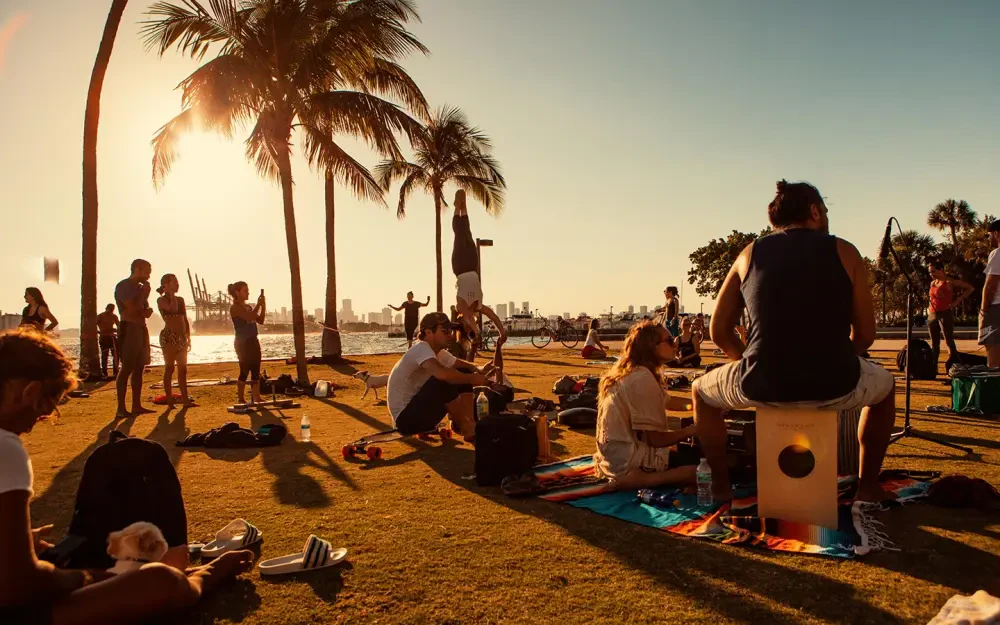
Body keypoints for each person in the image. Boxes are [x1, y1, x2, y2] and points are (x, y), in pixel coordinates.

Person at [0, 329, 254, 625]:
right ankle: (204, 576)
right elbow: (14, 587)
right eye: (46, 408)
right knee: (160, 582)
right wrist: (83, 578)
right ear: (29, 393)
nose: (39, 421)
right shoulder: (6, 446)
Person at [691, 180, 897, 504]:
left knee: (700, 392)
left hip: (762, 384)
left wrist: (743, 359)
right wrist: (839, 356)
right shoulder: (846, 251)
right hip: (835, 384)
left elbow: (718, 331)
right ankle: (868, 486)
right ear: (815, 211)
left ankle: (720, 485)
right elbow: (867, 335)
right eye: (825, 211)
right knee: (885, 390)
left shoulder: (749, 254)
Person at [593, 321, 699, 489]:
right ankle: (646, 480)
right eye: (670, 340)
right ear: (652, 347)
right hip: (630, 462)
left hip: (614, 459)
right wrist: (692, 430)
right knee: (709, 469)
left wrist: (700, 404)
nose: (675, 344)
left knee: (696, 459)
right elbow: (655, 440)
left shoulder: (633, 372)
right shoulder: (642, 379)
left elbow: (668, 401)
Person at [387, 312, 490, 441]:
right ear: (429, 332)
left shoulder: (438, 352)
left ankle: (469, 423)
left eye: (451, 330)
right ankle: (466, 426)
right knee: (443, 381)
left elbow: (462, 366)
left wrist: (477, 368)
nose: (450, 335)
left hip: (423, 416)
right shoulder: (421, 349)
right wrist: (471, 379)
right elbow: (442, 375)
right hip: (405, 420)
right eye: (445, 331)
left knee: (461, 372)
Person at [451, 189, 508, 347]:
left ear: (461, 320)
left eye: (468, 325)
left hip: (460, 267)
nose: (471, 322)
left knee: (458, 234)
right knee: (467, 233)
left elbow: (469, 317)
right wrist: (502, 332)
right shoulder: (480, 306)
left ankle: (457, 208)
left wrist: (476, 332)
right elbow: (495, 317)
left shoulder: (461, 307)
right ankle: (464, 206)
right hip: (472, 266)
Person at [115, 259, 154, 419]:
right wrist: (144, 294)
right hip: (129, 328)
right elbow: (130, 309)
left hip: (141, 328)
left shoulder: (140, 288)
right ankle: (121, 408)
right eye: (147, 272)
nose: (149, 276)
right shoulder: (124, 286)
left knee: (140, 367)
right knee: (127, 367)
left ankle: (136, 405)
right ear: (137, 269)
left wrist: (147, 309)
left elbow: (141, 310)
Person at [927, 260, 972, 371]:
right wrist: (929, 309)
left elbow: (970, 288)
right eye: (930, 272)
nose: (931, 274)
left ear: (941, 270)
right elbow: (931, 298)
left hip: (945, 313)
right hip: (933, 314)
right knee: (934, 342)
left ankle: (953, 366)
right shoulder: (933, 283)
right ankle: (933, 367)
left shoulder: (949, 282)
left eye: (933, 271)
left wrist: (957, 301)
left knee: (949, 341)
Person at [156, 275, 192, 408]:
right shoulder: (161, 300)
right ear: (166, 284)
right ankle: (170, 401)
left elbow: (184, 318)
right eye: (174, 283)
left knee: (183, 370)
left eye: (178, 282)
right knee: (170, 368)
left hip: (181, 337)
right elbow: (171, 310)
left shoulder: (181, 300)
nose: (177, 285)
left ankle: (185, 399)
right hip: (169, 337)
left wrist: (188, 336)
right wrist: (170, 295)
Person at [228, 282, 265, 405]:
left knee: (256, 369)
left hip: (253, 340)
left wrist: (263, 306)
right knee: (244, 370)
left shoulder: (249, 307)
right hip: (242, 342)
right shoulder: (235, 308)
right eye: (245, 290)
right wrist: (258, 305)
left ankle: (256, 397)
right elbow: (249, 317)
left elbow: (260, 320)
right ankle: (241, 398)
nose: (248, 292)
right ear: (237, 292)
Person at [979, 220, 1000, 367]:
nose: (989, 239)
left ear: (997, 233)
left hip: (996, 308)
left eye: (989, 235)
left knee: (993, 350)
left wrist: (983, 310)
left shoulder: (997, 253)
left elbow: (991, 285)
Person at [95, 305, 119, 379]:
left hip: (112, 337)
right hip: (104, 337)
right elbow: (93, 325)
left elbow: (119, 325)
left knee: (115, 355)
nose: (111, 311)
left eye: (112, 309)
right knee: (104, 355)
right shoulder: (100, 316)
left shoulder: (114, 316)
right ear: (106, 308)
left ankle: (116, 372)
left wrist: (116, 331)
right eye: (110, 309)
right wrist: (99, 332)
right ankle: (104, 372)